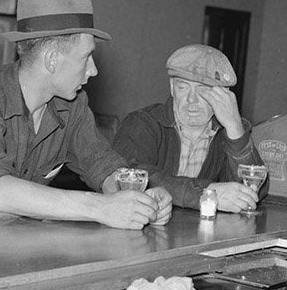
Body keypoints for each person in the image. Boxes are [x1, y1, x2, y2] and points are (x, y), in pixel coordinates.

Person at [0, 0, 171, 230]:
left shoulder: (72, 103)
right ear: (52, 60)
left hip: (7, 232)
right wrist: (100, 207)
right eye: (85, 57)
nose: (93, 70)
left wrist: (135, 198)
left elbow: (100, 163)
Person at [113, 44, 266, 213]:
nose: (192, 99)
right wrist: (207, 194)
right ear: (172, 87)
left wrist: (235, 129)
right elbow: (132, 177)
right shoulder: (142, 123)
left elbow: (256, 190)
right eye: (183, 87)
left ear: (223, 95)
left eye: (203, 90)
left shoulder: (226, 133)